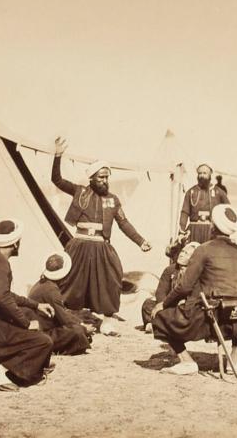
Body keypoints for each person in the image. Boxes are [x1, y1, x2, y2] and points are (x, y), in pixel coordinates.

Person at [51, 137, 151, 336]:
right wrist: (58, 156)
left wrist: (141, 241)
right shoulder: (79, 192)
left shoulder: (113, 200)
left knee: (112, 278)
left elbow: (123, 223)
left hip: (101, 245)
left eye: (107, 177)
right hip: (79, 244)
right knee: (69, 281)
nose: (105, 181)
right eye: (101, 177)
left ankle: (106, 321)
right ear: (92, 179)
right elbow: (57, 180)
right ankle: (65, 318)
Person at [151, 204, 237, 375]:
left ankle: (187, 362)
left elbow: (184, 287)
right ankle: (234, 358)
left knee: (159, 316)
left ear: (212, 226)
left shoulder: (204, 250)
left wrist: (163, 304)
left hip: (208, 316)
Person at [0, 219, 55, 391]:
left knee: (28, 318)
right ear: (15, 243)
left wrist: (36, 305)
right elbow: (3, 299)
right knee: (44, 342)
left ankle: (27, 367)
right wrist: (27, 324)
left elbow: (6, 295)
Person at [27, 252, 92, 355]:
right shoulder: (51, 290)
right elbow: (64, 319)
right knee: (77, 331)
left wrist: (79, 322)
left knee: (77, 326)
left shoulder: (41, 283)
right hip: (42, 333)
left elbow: (61, 311)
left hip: (36, 329)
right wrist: (84, 327)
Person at [140, 242, 200, 332]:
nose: (182, 255)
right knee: (148, 304)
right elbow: (161, 291)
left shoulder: (198, 272)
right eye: (182, 251)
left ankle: (159, 324)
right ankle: (160, 323)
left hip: (186, 306)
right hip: (169, 305)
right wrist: (163, 304)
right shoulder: (170, 270)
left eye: (186, 253)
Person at [177, 163, 229, 244]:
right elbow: (185, 212)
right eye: (200, 173)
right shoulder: (191, 192)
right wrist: (181, 232)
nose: (202, 175)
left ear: (210, 174)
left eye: (204, 173)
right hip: (194, 230)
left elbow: (228, 211)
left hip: (213, 231)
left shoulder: (219, 192)